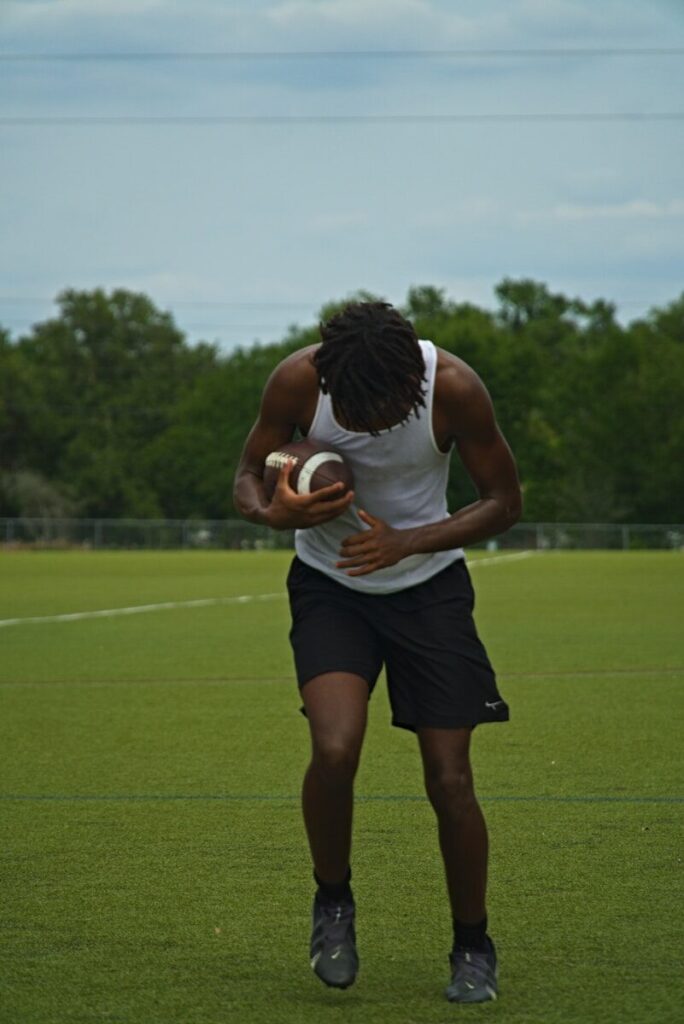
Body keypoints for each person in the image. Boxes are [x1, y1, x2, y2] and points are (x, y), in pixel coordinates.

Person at [233, 301, 522, 1003]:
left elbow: (504, 501)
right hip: (332, 586)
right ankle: (333, 903)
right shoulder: (298, 381)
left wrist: (409, 540)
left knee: (449, 778)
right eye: (351, 411)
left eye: (380, 410)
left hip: (428, 588)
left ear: (412, 388)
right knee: (335, 748)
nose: (361, 425)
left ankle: (473, 945)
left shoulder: (453, 386)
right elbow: (246, 475)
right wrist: (273, 512)